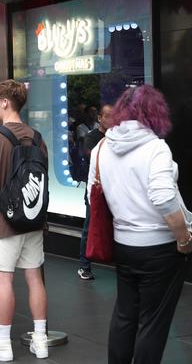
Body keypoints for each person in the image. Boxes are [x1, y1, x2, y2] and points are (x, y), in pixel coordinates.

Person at [88, 86, 192, 364]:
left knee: (124, 315)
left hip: (124, 244)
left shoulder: (102, 147)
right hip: (159, 247)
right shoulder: (155, 148)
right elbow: (163, 196)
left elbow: (93, 192)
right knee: (153, 322)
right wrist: (183, 237)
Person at [0, 80, 49, 361]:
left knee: (4, 280)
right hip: (33, 219)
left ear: (6, 102)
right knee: (34, 277)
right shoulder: (38, 137)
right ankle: (40, 340)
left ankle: (3, 344)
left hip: (5, 219)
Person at [77, 104, 113, 280]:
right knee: (89, 227)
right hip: (96, 190)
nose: (111, 119)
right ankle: (84, 265)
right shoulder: (93, 137)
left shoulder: (116, 137)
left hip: (113, 188)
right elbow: (90, 156)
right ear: (100, 118)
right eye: (107, 116)